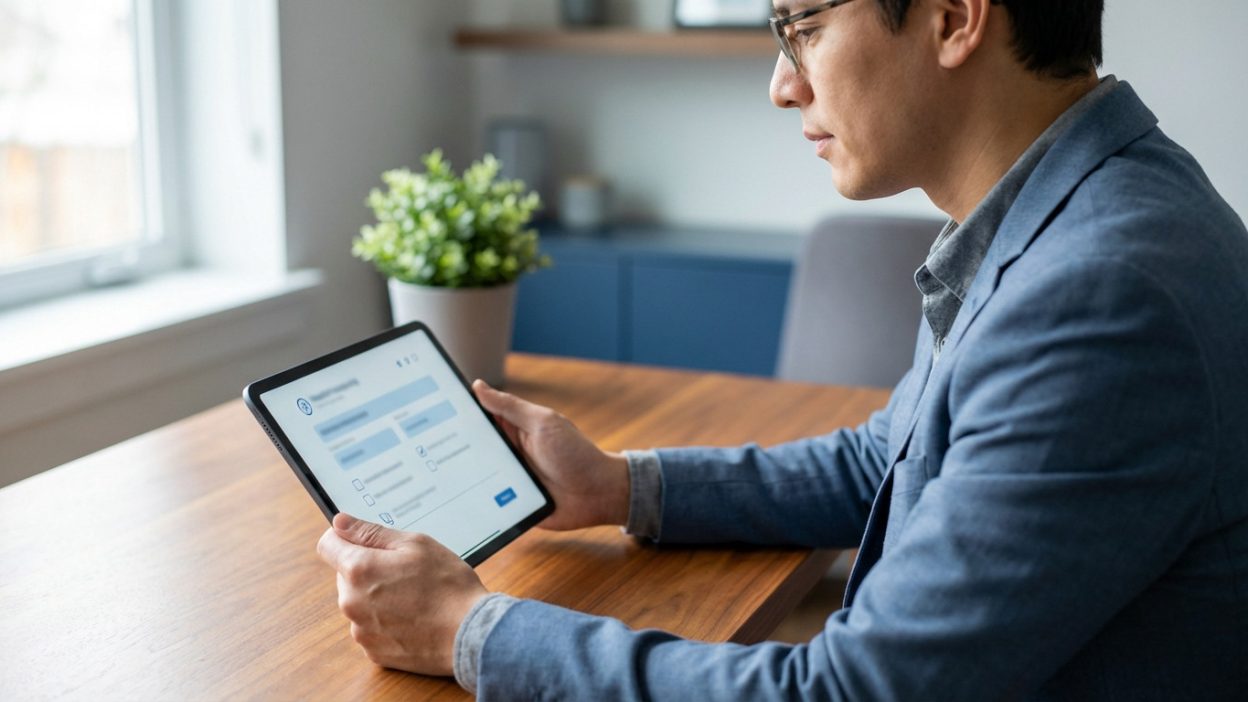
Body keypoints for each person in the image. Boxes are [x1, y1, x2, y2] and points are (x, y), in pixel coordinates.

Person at [316, 0, 1248, 698]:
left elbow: (852, 692)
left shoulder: (1098, 295)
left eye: (801, 26)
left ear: (956, 17)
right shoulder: (1076, 212)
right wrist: (618, 486)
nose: (781, 81)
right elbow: (892, 453)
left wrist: (471, 629)